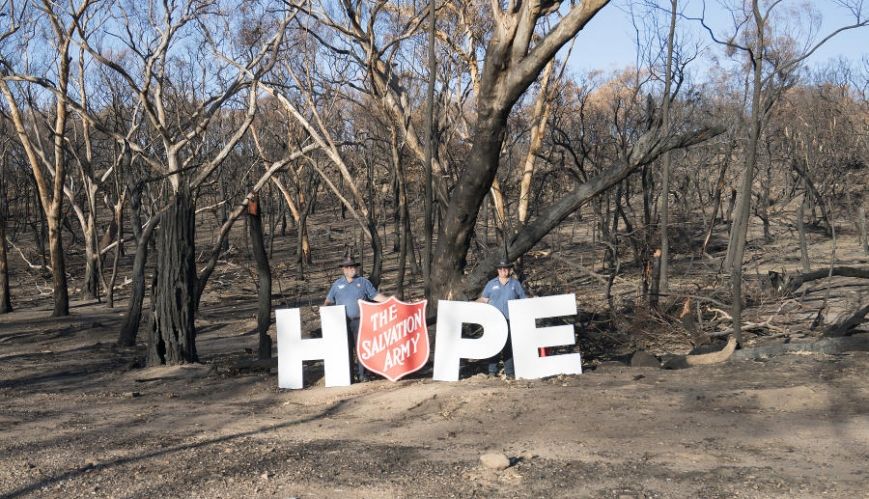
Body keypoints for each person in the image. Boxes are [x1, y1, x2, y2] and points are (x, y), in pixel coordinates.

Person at [324, 256, 388, 382]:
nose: (351, 269)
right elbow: (328, 300)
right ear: (343, 269)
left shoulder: (364, 282)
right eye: (348, 267)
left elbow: (375, 296)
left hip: (360, 321)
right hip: (341, 323)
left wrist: (390, 301)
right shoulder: (337, 285)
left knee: (361, 348)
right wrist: (325, 311)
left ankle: (363, 375)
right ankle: (348, 376)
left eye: (353, 266)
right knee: (345, 348)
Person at [477, 258, 526, 378]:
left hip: (510, 320)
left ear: (509, 270)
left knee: (508, 346)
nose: (503, 271)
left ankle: (510, 373)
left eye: (505, 268)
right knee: (494, 345)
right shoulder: (491, 284)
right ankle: (492, 372)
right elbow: (484, 299)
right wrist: (472, 303)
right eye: (500, 269)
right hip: (495, 321)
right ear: (498, 270)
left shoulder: (515, 284)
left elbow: (524, 300)